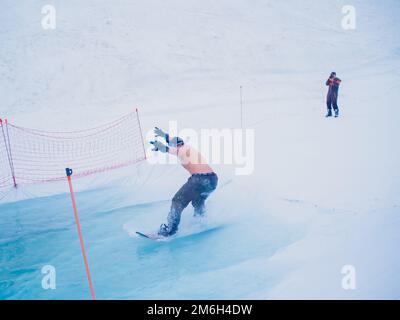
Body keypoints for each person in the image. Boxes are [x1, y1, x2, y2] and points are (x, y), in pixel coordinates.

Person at [150, 127, 218, 237]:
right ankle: (201, 221)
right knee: (198, 202)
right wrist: (164, 135)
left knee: (177, 201)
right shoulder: (188, 148)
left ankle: (169, 231)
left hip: (199, 180)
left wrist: (161, 147)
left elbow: (172, 149)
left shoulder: (181, 150)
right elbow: (174, 141)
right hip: (212, 180)